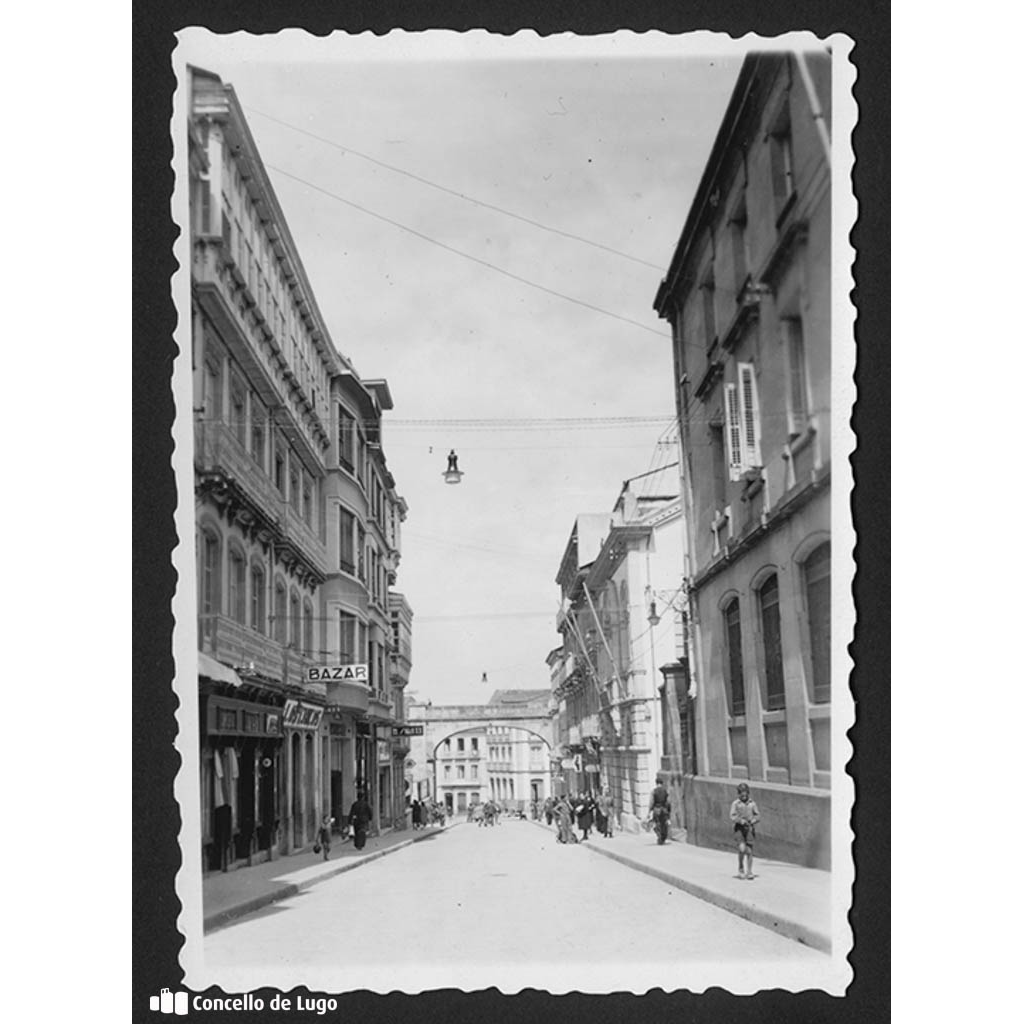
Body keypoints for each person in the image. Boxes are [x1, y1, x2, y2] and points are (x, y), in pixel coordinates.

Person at [729, 783, 760, 879]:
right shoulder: (736, 804)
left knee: (749, 851)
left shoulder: (752, 803)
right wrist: (740, 820)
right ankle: (741, 867)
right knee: (742, 849)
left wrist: (754, 820)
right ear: (738, 794)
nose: (744, 795)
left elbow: (757, 815)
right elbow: (732, 816)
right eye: (741, 794)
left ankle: (749, 871)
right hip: (739, 828)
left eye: (745, 793)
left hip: (749, 828)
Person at [649, 775, 671, 845]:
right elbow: (668, 801)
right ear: (662, 783)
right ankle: (663, 837)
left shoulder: (653, 791)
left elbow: (651, 802)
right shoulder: (666, 791)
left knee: (657, 824)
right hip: (664, 809)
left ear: (656, 783)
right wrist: (668, 810)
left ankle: (660, 837)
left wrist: (649, 810)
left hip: (657, 809)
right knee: (664, 824)